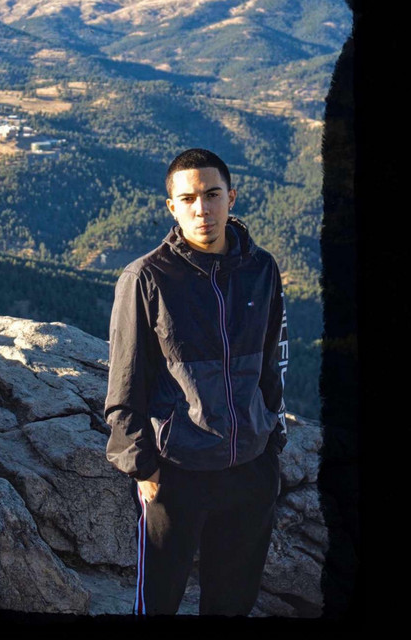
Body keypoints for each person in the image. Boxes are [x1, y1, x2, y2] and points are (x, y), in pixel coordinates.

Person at [104, 148, 289, 616]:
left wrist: (272, 440)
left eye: (212, 195)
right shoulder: (147, 277)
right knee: (159, 602)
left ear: (232, 197)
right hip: (176, 471)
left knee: (232, 604)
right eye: (188, 199)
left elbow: (272, 363)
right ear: (172, 207)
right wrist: (142, 467)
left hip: (250, 469)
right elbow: (124, 381)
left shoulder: (262, 269)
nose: (202, 209)